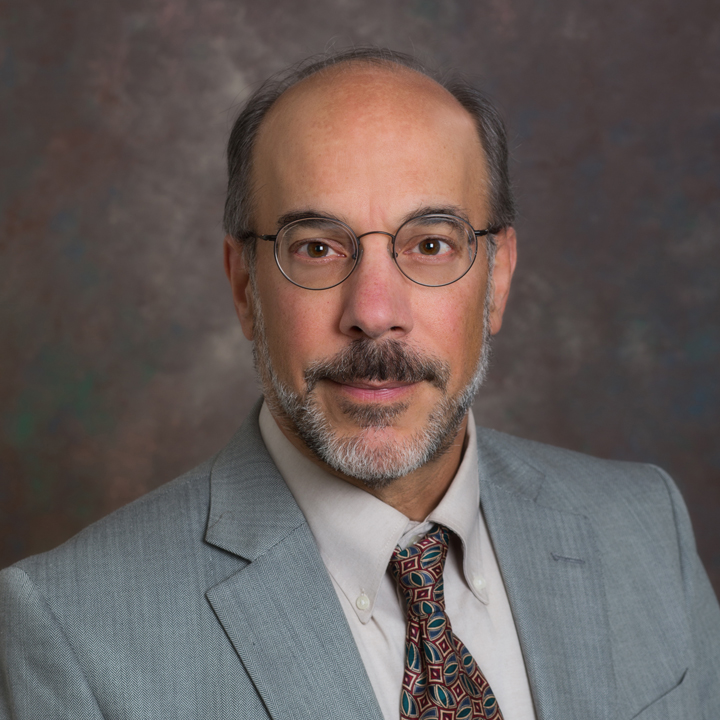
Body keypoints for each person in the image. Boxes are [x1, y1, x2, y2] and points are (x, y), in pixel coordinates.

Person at [1, 47, 718, 720]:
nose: (374, 314)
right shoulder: (72, 628)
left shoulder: (645, 528)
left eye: (431, 244)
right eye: (316, 248)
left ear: (496, 277)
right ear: (244, 286)